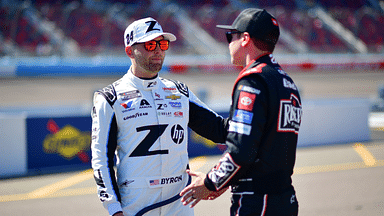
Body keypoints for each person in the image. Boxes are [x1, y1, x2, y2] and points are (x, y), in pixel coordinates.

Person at [91, 17, 228, 216]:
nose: (158, 50)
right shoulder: (110, 98)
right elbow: (101, 159)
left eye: (162, 44)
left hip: (180, 203)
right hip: (137, 205)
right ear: (130, 50)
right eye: (149, 44)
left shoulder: (179, 92)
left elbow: (219, 129)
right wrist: (113, 208)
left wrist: (259, 119)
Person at [180, 8, 302, 216]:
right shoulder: (285, 81)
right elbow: (240, 134)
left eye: (231, 36)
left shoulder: (252, 81)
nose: (228, 42)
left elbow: (241, 151)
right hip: (283, 198)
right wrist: (182, 106)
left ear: (245, 39)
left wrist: (210, 183)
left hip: (258, 201)